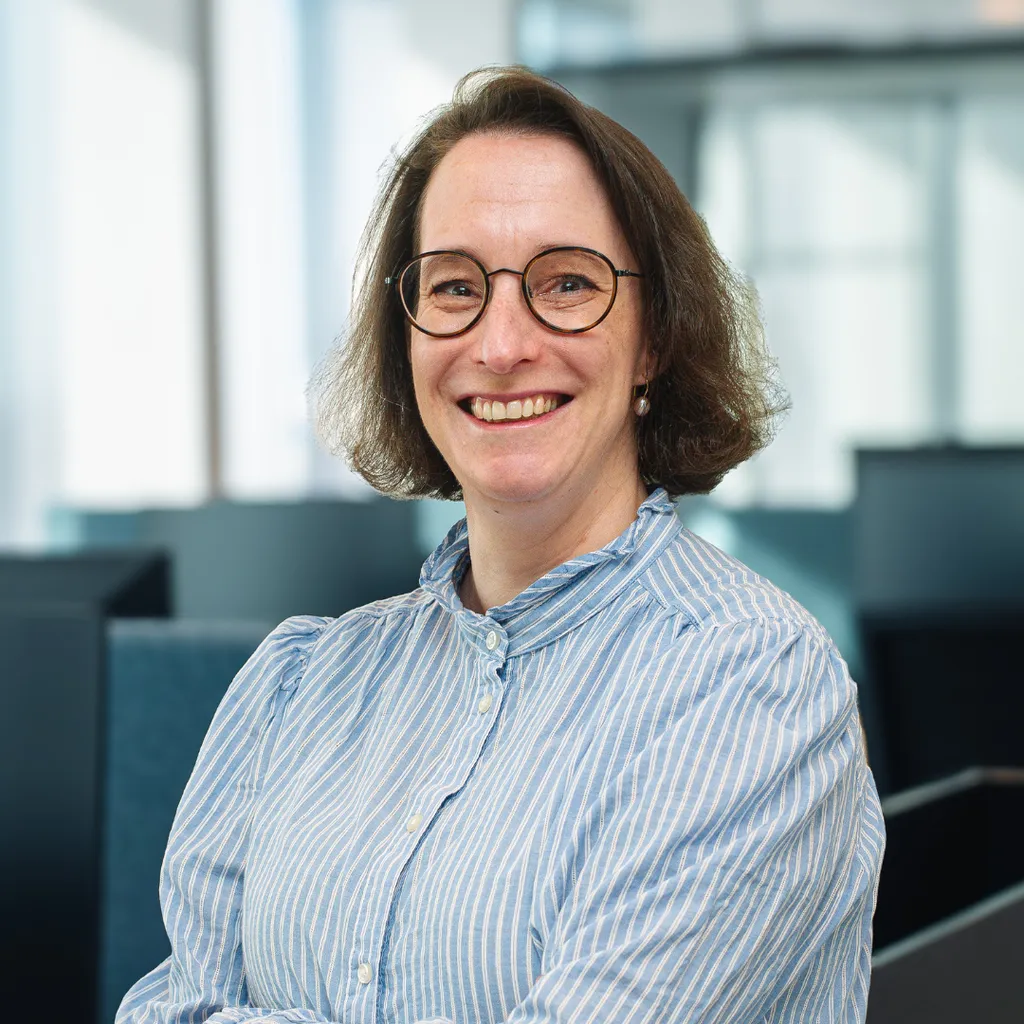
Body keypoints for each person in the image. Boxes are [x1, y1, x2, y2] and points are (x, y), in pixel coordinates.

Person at [118, 66, 884, 1024]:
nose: (502, 342)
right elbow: (166, 1009)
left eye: (568, 283)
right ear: (408, 339)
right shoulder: (301, 688)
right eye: (455, 287)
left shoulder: (748, 687)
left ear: (653, 342)